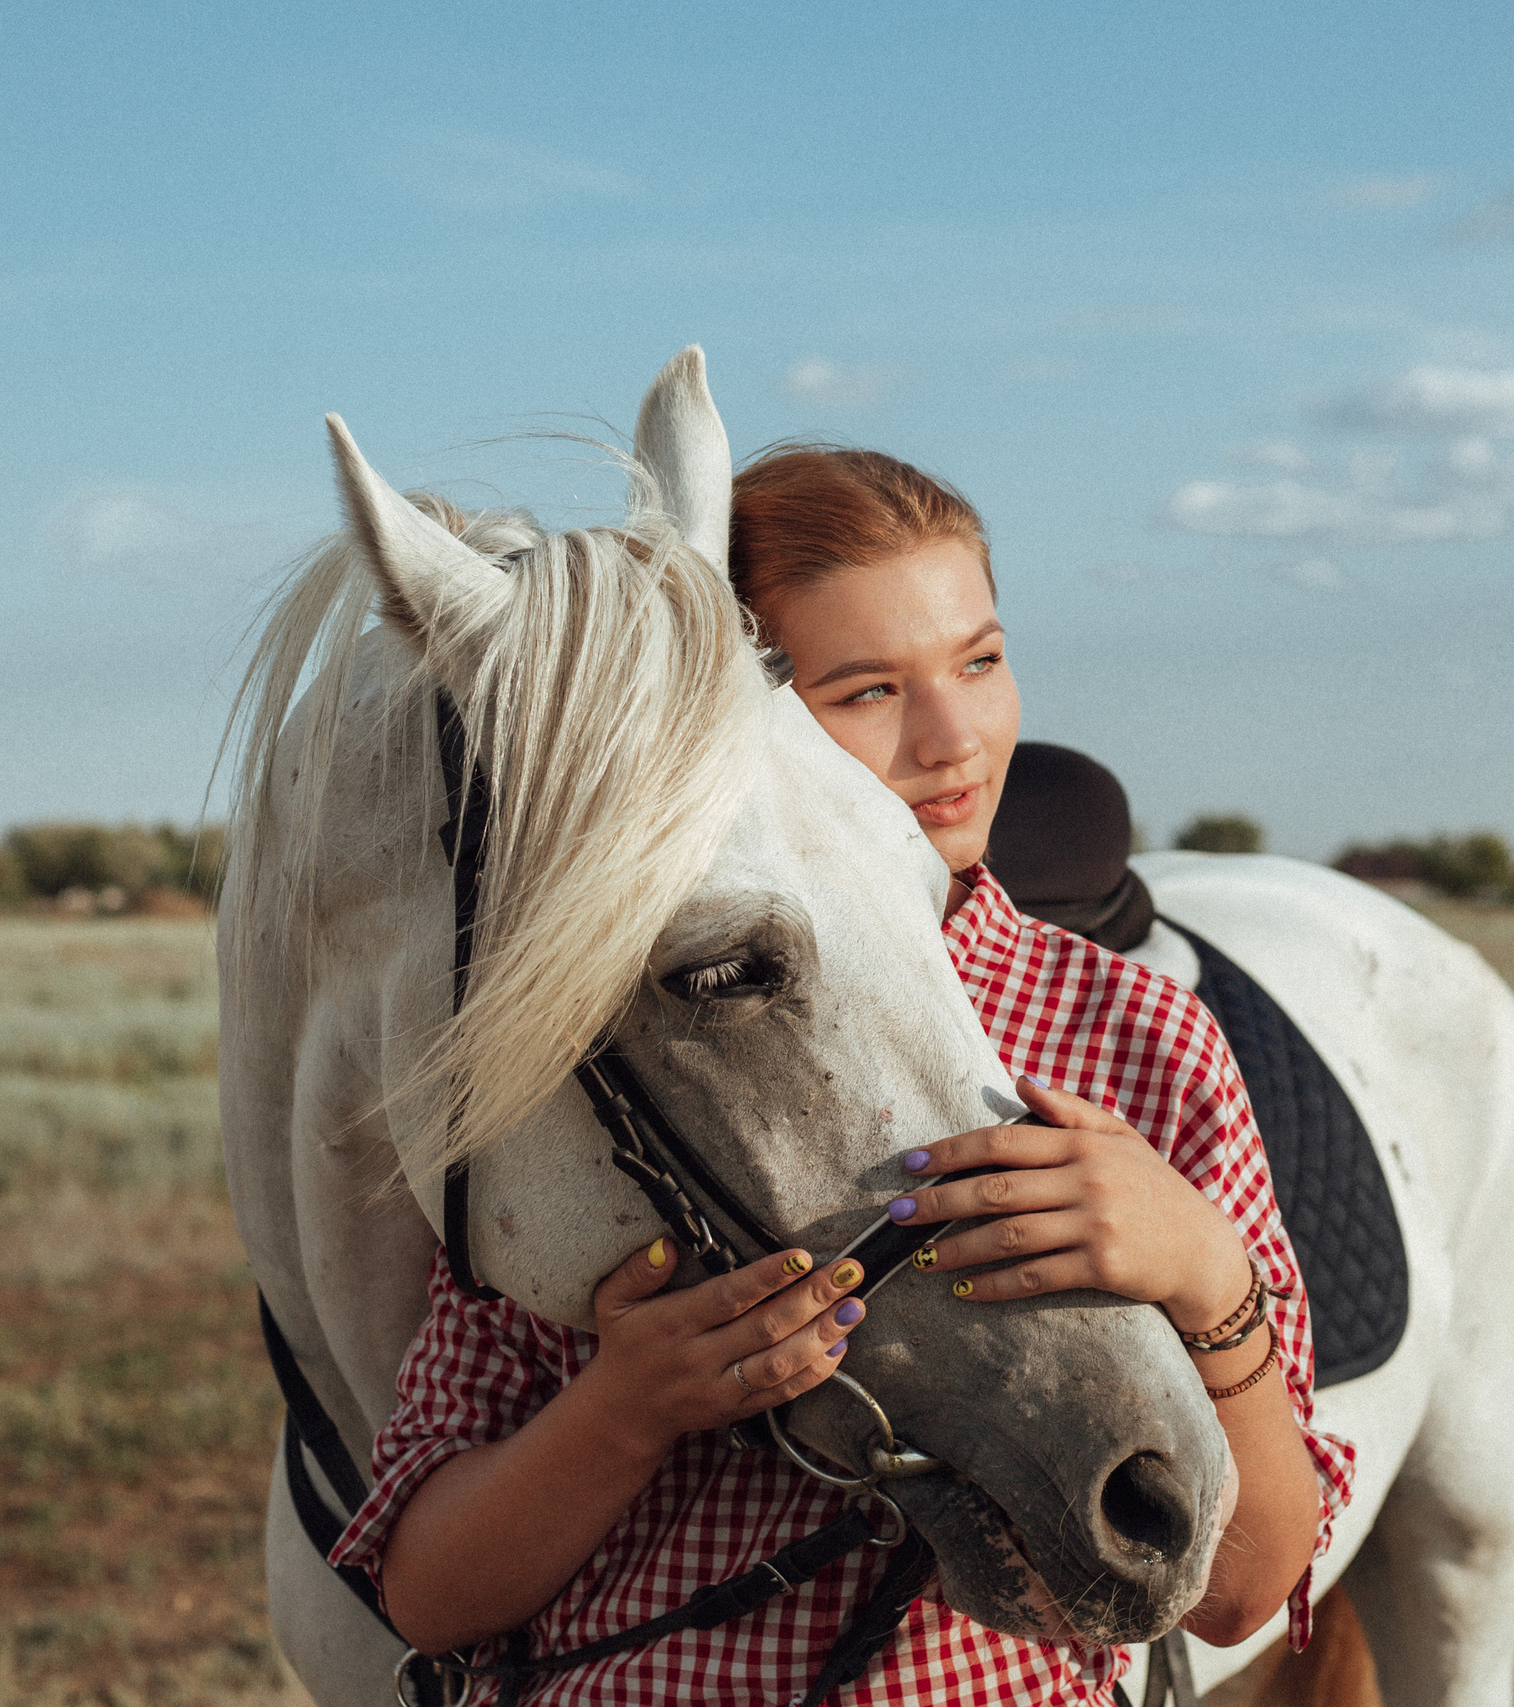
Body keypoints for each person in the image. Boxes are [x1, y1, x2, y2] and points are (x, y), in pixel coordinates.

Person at [328, 447, 1355, 1705]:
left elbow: (1243, 1584)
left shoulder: (1134, 1034)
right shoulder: (590, 1042)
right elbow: (428, 1596)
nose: (955, 740)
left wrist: (1203, 1274)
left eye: (980, 660)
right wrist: (623, 1410)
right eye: (865, 691)